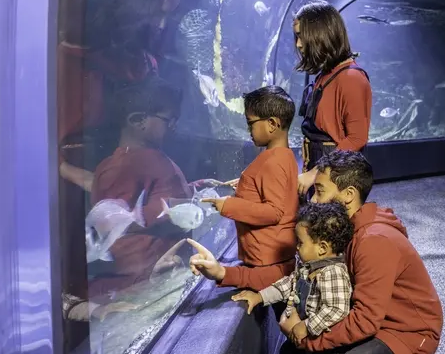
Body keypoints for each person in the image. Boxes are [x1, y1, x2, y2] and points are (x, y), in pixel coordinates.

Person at [273, 150, 444, 354]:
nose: (314, 198)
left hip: (406, 334)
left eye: (320, 190)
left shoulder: (373, 239)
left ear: (348, 194)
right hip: (375, 323)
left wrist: (308, 337)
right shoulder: (347, 228)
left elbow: (365, 321)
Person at [83, 77, 191, 297]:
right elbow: (116, 234)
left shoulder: (148, 158)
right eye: (169, 120)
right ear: (138, 120)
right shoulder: (123, 166)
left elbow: (162, 194)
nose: (174, 126)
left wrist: (195, 190)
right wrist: (145, 280)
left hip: (169, 271)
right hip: (146, 282)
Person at [189, 86, 300, 291]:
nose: (249, 130)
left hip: (266, 260)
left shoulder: (273, 161)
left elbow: (274, 212)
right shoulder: (284, 156)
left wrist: (228, 205)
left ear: (272, 124)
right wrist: (244, 185)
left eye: (251, 123)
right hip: (269, 256)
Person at [230, 201, 353, 342]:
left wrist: (306, 326)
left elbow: (337, 309)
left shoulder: (333, 273)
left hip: (321, 343)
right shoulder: (307, 266)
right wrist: (260, 297)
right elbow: (288, 285)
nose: (297, 247)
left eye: (300, 243)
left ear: (322, 248)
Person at [292, 1, 372, 197]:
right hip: (317, 172)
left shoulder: (351, 78)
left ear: (322, 34)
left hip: (333, 180)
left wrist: (316, 172)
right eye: (296, 37)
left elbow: (357, 138)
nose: (298, 44)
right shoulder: (325, 74)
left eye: (302, 36)